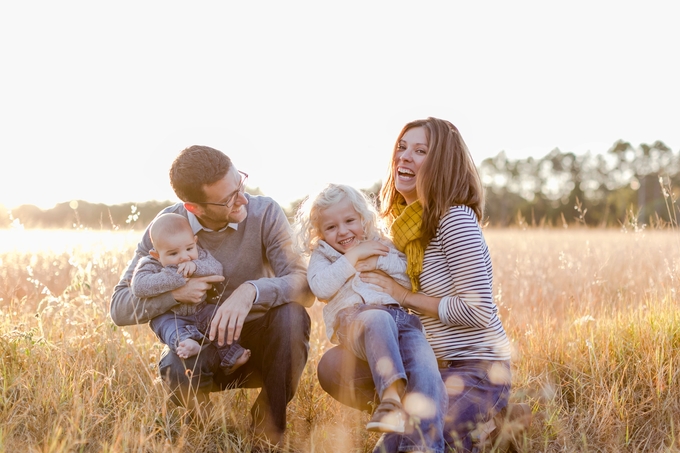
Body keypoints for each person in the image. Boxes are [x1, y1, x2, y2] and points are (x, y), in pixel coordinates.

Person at [316, 118, 514, 452]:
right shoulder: (401, 226)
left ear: (441, 163)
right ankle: (453, 425)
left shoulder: (455, 219)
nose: (404, 157)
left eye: (420, 151)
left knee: (415, 445)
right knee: (335, 367)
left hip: (475, 367)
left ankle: (487, 424)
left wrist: (403, 295)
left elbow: (478, 310)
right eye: (401, 147)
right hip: (425, 364)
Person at [110, 145, 314, 446]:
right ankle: (208, 435)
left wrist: (251, 291)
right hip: (200, 345)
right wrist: (176, 294)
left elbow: (304, 285)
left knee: (293, 317)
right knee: (175, 368)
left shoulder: (265, 212)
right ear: (194, 208)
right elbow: (119, 307)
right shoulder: (165, 229)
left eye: (239, 184)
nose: (242, 199)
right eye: (228, 199)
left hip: (260, 347)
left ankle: (266, 434)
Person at [292, 184, 446, 452]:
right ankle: (390, 400)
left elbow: (407, 276)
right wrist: (353, 257)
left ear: (363, 219)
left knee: (425, 368)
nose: (342, 231)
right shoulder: (323, 255)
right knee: (377, 318)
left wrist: (376, 261)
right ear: (319, 232)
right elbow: (321, 287)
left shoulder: (379, 244)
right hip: (357, 321)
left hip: (402, 321)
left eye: (349, 221)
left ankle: (425, 447)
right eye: (331, 227)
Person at [131, 212, 250, 372]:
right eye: (173, 254)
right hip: (171, 314)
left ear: (195, 241)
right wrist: (174, 277)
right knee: (167, 327)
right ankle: (187, 343)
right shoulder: (149, 263)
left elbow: (217, 269)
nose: (184, 257)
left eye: (189, 248)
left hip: (201, 309)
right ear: (157, 255)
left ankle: (231, 354)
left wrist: (196, 267)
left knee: (219, 320)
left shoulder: (199, 255)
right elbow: (139, 286)